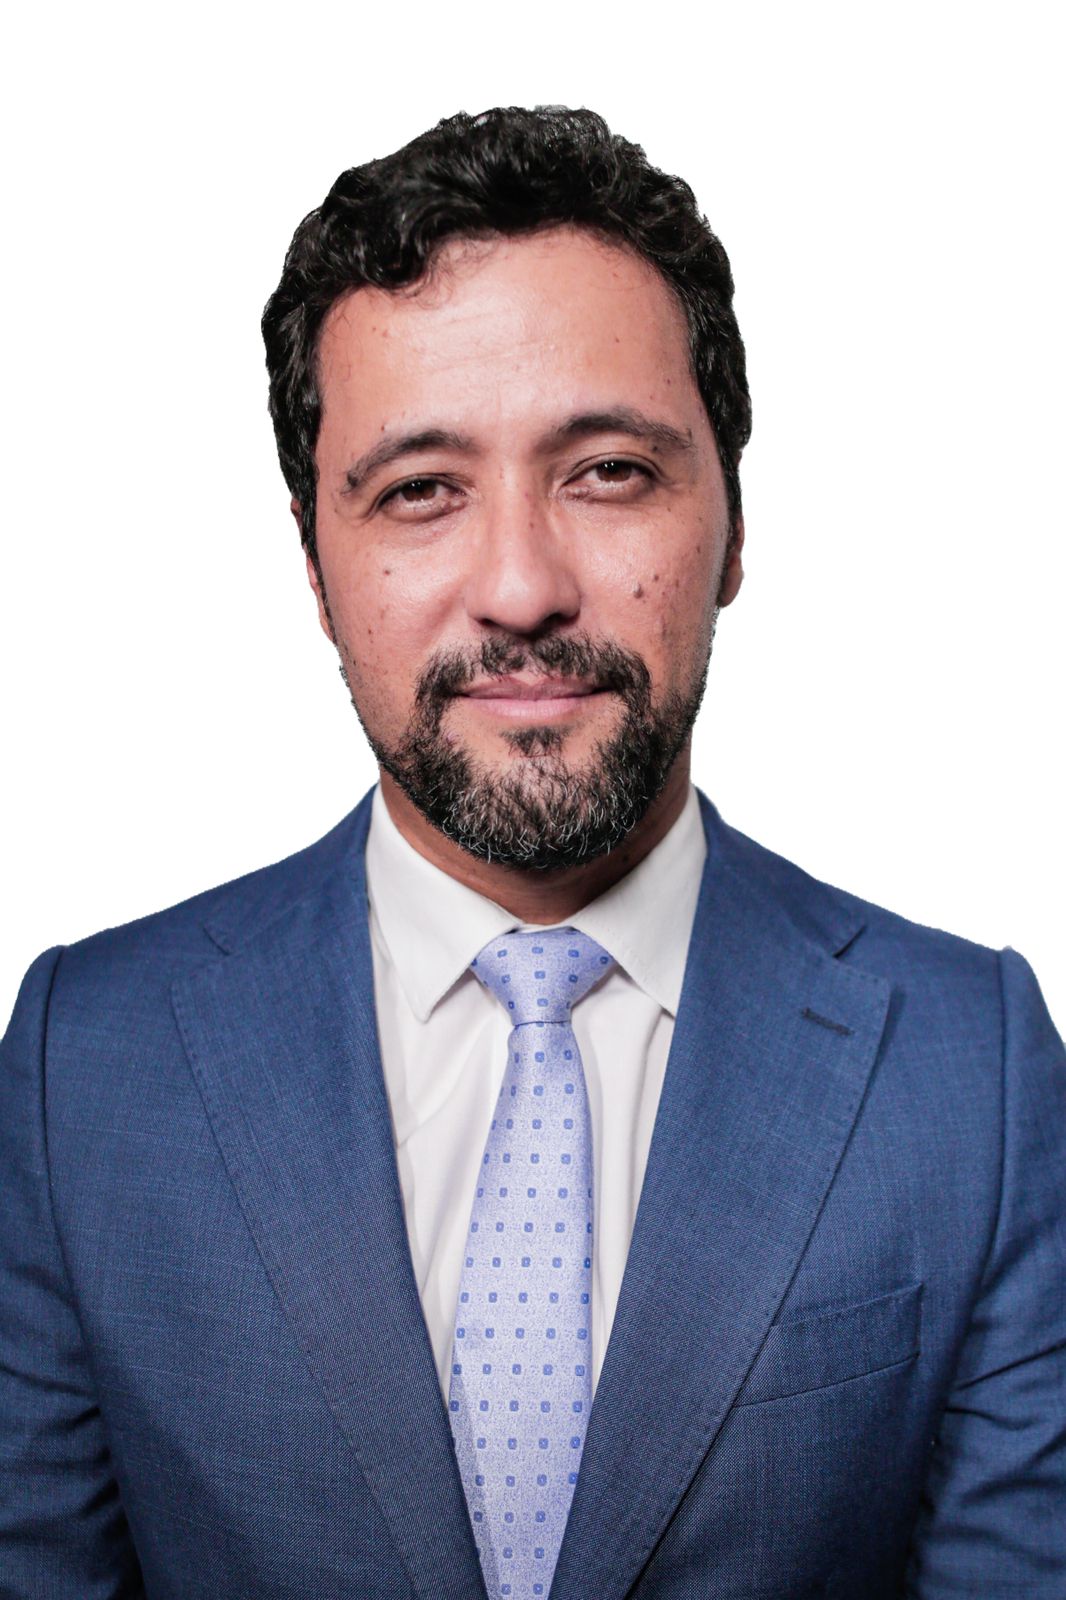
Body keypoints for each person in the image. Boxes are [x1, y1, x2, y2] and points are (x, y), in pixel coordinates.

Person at [1, 105, 1063, 1600]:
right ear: (315, 564)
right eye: (420, 490)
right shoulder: (81, 1068)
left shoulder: (976, 1072)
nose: (518, 586)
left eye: (608, 471)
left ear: (733, 524)